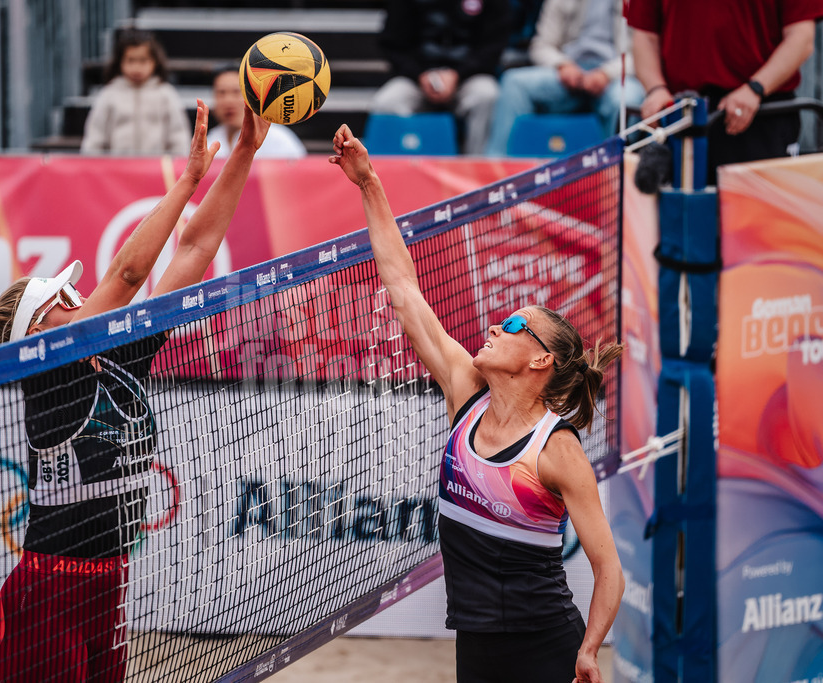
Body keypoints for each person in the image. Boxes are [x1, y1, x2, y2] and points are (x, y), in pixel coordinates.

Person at [0, 100, 269, 681]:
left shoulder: (120, 358)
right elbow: (125, 276)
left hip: (109, 582)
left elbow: (194, 250)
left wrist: (244, 149)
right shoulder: (49, 376)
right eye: (63, 301)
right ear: (37, 333)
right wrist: (189, 176)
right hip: (47, 593)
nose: (77, 299)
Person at [329, 123, 624, 683]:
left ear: (541, 361)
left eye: (514, 324)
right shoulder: (466, 394)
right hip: (475, 645)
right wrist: (367, 182)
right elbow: (402, 284)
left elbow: (608, 568)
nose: (494, 324)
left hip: (546, 646)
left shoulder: (556, 449)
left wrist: (589, 650)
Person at [629, 0, 823, 183]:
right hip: (678, 116)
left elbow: (801, 37)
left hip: (761, 115)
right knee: (675, 215)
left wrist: (756, 88)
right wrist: (655, 89)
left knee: (759, 216)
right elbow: (644, 36)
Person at [486, 0, 646, 156]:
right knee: (514, 83)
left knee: (626, 98)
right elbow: (541, 45)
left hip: (615, 75)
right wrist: (563, 65)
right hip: (568, 69)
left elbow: (644, 52)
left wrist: (607, 73)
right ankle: (497, 169)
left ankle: (615, 171)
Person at [370, 0, 512, 155]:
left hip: (469, 77)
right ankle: (391, 174)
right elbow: (392, 44)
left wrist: (458, 74)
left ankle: (478, 169)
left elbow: (493, 45)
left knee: (487, 95)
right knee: (387, 102)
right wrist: (420, 75)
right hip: (417, 78)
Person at [81, 28, 190, 156]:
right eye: (131, 60)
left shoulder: (166, 94)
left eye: (143, 60)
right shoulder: (109, 95)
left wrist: (177, 167)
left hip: (155, 170)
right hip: (117, 170)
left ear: (155, 61)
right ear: (120, 62)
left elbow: (179, 137)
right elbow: (95, 137)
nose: (136, 68)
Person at [208, 64, 306, 159]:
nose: (228, 101)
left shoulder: (279, 139)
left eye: (236, 92)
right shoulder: (211, 139)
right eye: (221, 93)